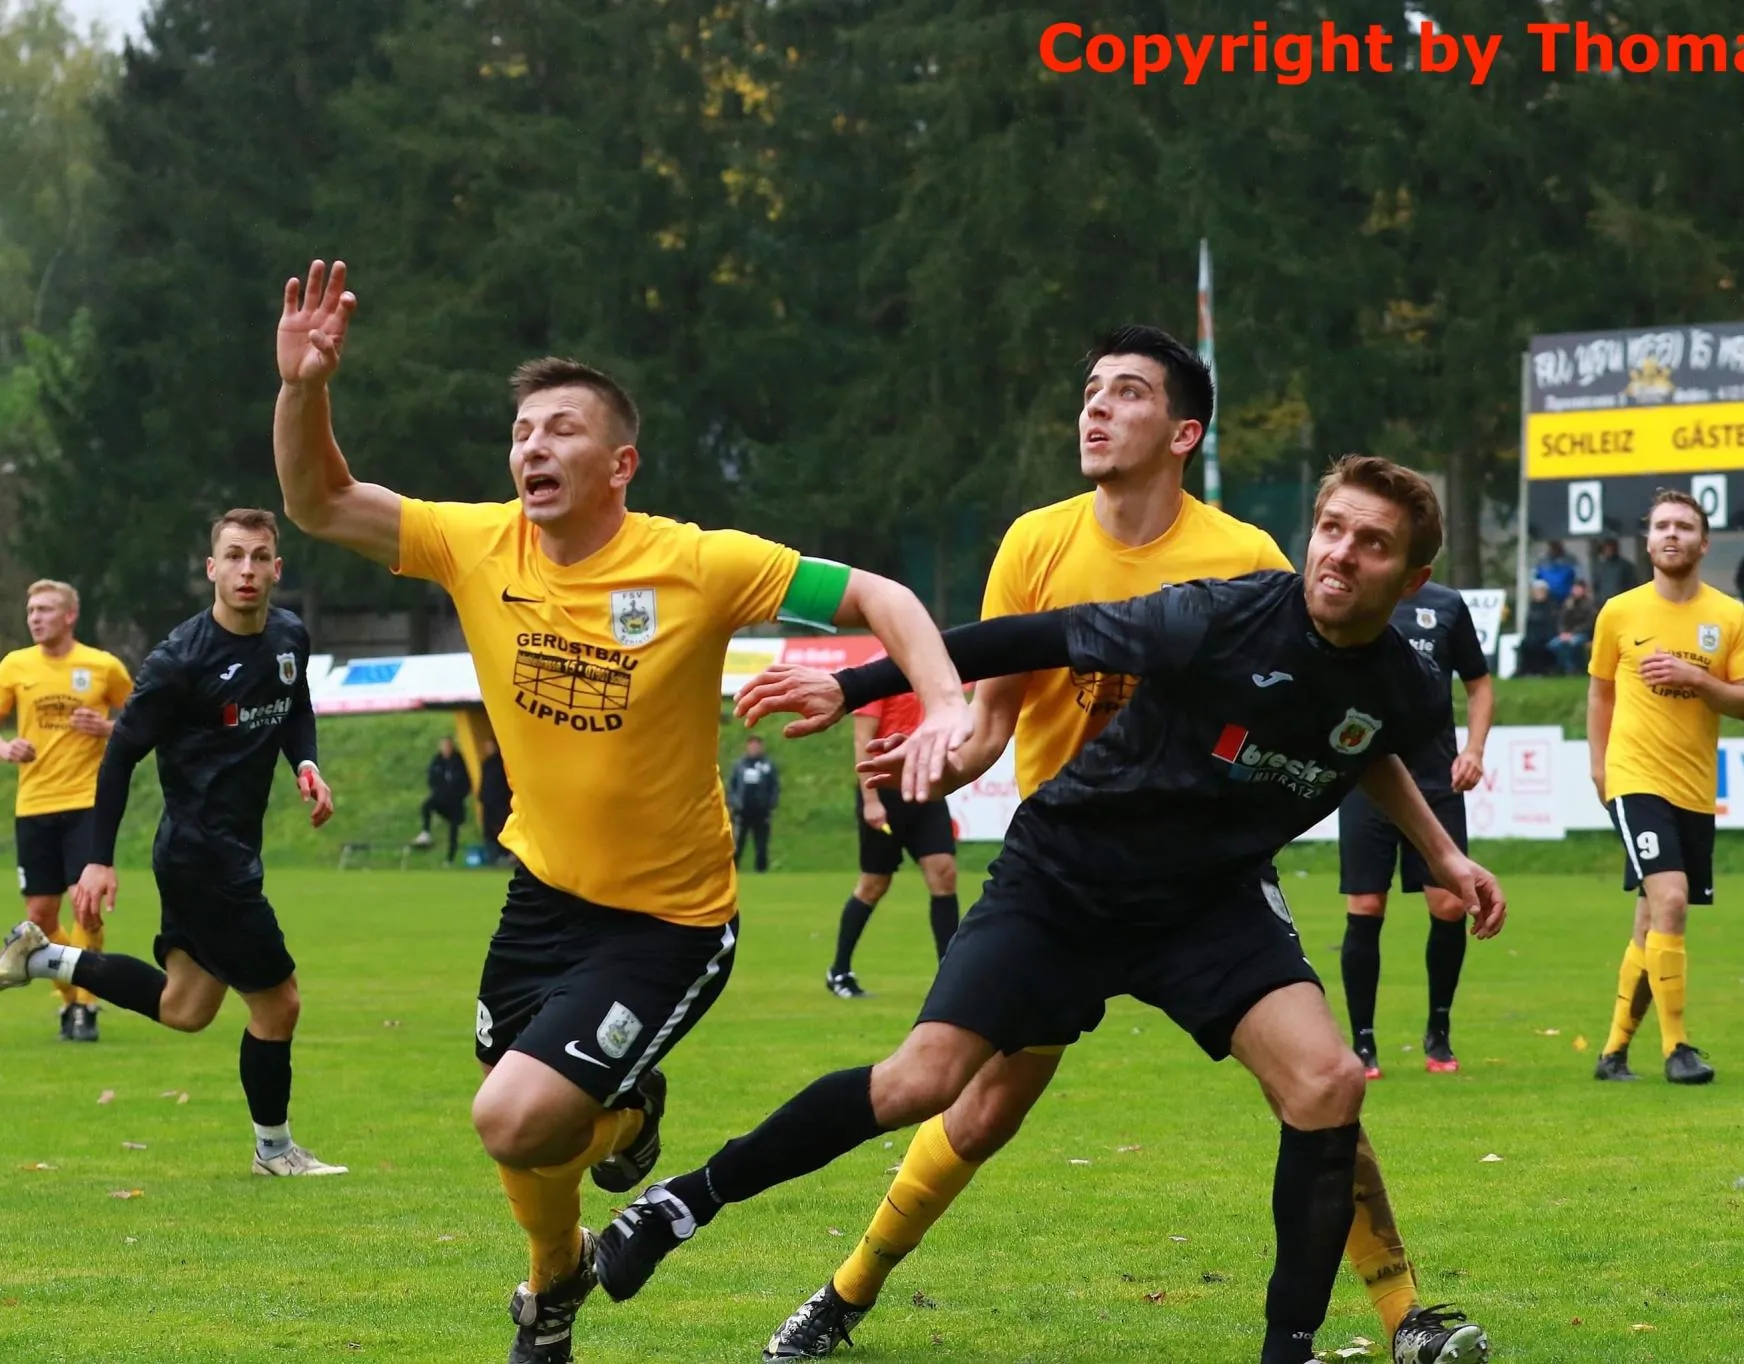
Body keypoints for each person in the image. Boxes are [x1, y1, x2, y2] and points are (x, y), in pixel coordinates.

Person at [602, 454, 1504, 1364]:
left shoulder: (1409, 686)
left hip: (1207, 904)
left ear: (1411, 579)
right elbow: (1026, 639)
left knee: (1327, 1082)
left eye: (1371, 543)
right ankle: (686, 1201)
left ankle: (1290, 1347)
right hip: (1067, 879)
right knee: (926, 1085)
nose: (1340, 553)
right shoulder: (1215, 615)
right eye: (1332, 529)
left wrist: (1443, 855)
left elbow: (1361, 743)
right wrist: (855, 686)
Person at [267, 258, 969, 1364]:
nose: (531, 448)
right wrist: (303, 388)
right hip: (542, 896)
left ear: (620, 464)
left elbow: (880, 594)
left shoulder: (697, 564)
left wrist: (944, 702)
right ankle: (555, 1283)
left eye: (560, 430)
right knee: (527, 1128)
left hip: (667, 922)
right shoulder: (475, 541)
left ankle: (629, 1117)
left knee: (510, 1115)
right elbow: (317, 502)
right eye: (520, 432)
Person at [0, 510, 344, 1175]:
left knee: (184, 1007)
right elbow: (120, 755)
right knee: (280, 1003)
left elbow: (295, 703)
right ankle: (275, 1151)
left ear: (277, 568)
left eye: (260, 557)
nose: (247, 570)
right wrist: (98, 859)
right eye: (234, 556)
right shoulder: (179, 660)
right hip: (202, 856)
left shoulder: (289, 636)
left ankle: (41, 956)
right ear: (212, 568)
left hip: (226, 851)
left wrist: (306, 763)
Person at [1587, 489, 1744, 1087]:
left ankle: (1613, 1053)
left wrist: (1697, 679)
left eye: (1684, 527)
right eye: (1661, 525)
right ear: (1647, 541)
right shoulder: (1619, 612)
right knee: (1672, 901)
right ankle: (1677, 1047)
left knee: (1650, 921)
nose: (1671, 534)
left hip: (1693, 786)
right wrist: (1598, 766)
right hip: (1635, 775)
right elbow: (1600, 692)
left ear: (1703, 543)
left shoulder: (1728, 616)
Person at [1337, 579, 1494, 1080]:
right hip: (1366, 776)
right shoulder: (1355, 595)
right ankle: (1363, 1042)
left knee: (1449, 905)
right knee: (1366, 905)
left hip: (1435, 778)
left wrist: (1474, 750)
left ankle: (1438, 1032)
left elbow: (1479, 683)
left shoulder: (1446, 605)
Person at [0, 580, 132, 1041]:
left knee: (86, 906)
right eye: (31, 610)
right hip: (34, 804)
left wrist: (108, 728)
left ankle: (87, 1007)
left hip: (86, 803)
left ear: (70, 616)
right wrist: (6, 748)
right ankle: (72, 997)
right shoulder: (15, 666)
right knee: (40, 916)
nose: (35, 618)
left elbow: (143, 720)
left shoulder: (102, 666)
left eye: (45, 609)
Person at [828, 688, 958, 997]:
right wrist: (871, 801)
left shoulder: (926, 672)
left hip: (923, 783)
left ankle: (951, 975)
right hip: (884, 788)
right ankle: (839, 971)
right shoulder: (879, 676)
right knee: (874, 883)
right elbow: (862, 740)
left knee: (944, 872)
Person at [415, 735, 471, 865]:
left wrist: (459, 794)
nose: (446, 749)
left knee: (454, 829)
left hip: (455, 801)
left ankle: (450, 859)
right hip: (441, 798)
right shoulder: (437, 761)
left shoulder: (458, 761)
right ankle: (425, 832)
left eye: (448, 746)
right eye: (444, 746)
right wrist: (437, 791)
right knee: (426, 805)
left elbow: (465, 781)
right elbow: (432, 778)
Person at [728, 735, 780, 872]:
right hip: (742, 811)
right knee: (737, 844)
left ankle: (761, 872)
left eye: (757, 746)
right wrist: (734, 803)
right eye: (752, 746)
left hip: (761, 812)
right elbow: (732, 786)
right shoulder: (739, 765)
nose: (754, 749)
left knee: (761, 845)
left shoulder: (767, 766)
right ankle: (733, 871)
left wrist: (771, 804)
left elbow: (774, 786)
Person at [1548, 580, 1595, 675]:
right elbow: (1561, 620)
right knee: (1553, 645)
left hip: (1582, 634)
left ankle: (1573, 668)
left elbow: (1589, 624)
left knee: (1573, 643)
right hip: (1566, 634)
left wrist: (1572, 633)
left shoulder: (1589, 605)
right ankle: (1562, 667)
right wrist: (1563, 632)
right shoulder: (1568, 603)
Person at [1515, 580, 1560, 677]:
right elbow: (1528, 624)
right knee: (1525, 644)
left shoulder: (1551, 606)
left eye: (1540, 591)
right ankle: (1524, 670)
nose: (1538, 594)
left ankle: (1539, 670)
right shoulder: (1532, 606)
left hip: (1546, 635)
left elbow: (1551, 624)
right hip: (1533, 635)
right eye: (1536, 591)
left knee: (1537, 645)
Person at [479, 737, 511, 865]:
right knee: (488, 829)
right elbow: (484, 781)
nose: (487, 749)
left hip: (500, 801)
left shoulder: (501, 763)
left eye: (490, 746)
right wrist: (481, 795)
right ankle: (493, 856)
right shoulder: (486, 763)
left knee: (501, 827)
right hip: (488, 801)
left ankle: (505, 854)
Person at [1591, 537, 1637, 610]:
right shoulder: (1599, 566)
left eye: (1611, 548)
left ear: (1616, 548)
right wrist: (1597, 600)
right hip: (1603, 604)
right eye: (1607, 548)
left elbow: (1632, 585)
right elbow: (1596, 586)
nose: (1609, 550)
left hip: (1622, 603)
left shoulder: (1625, 565)